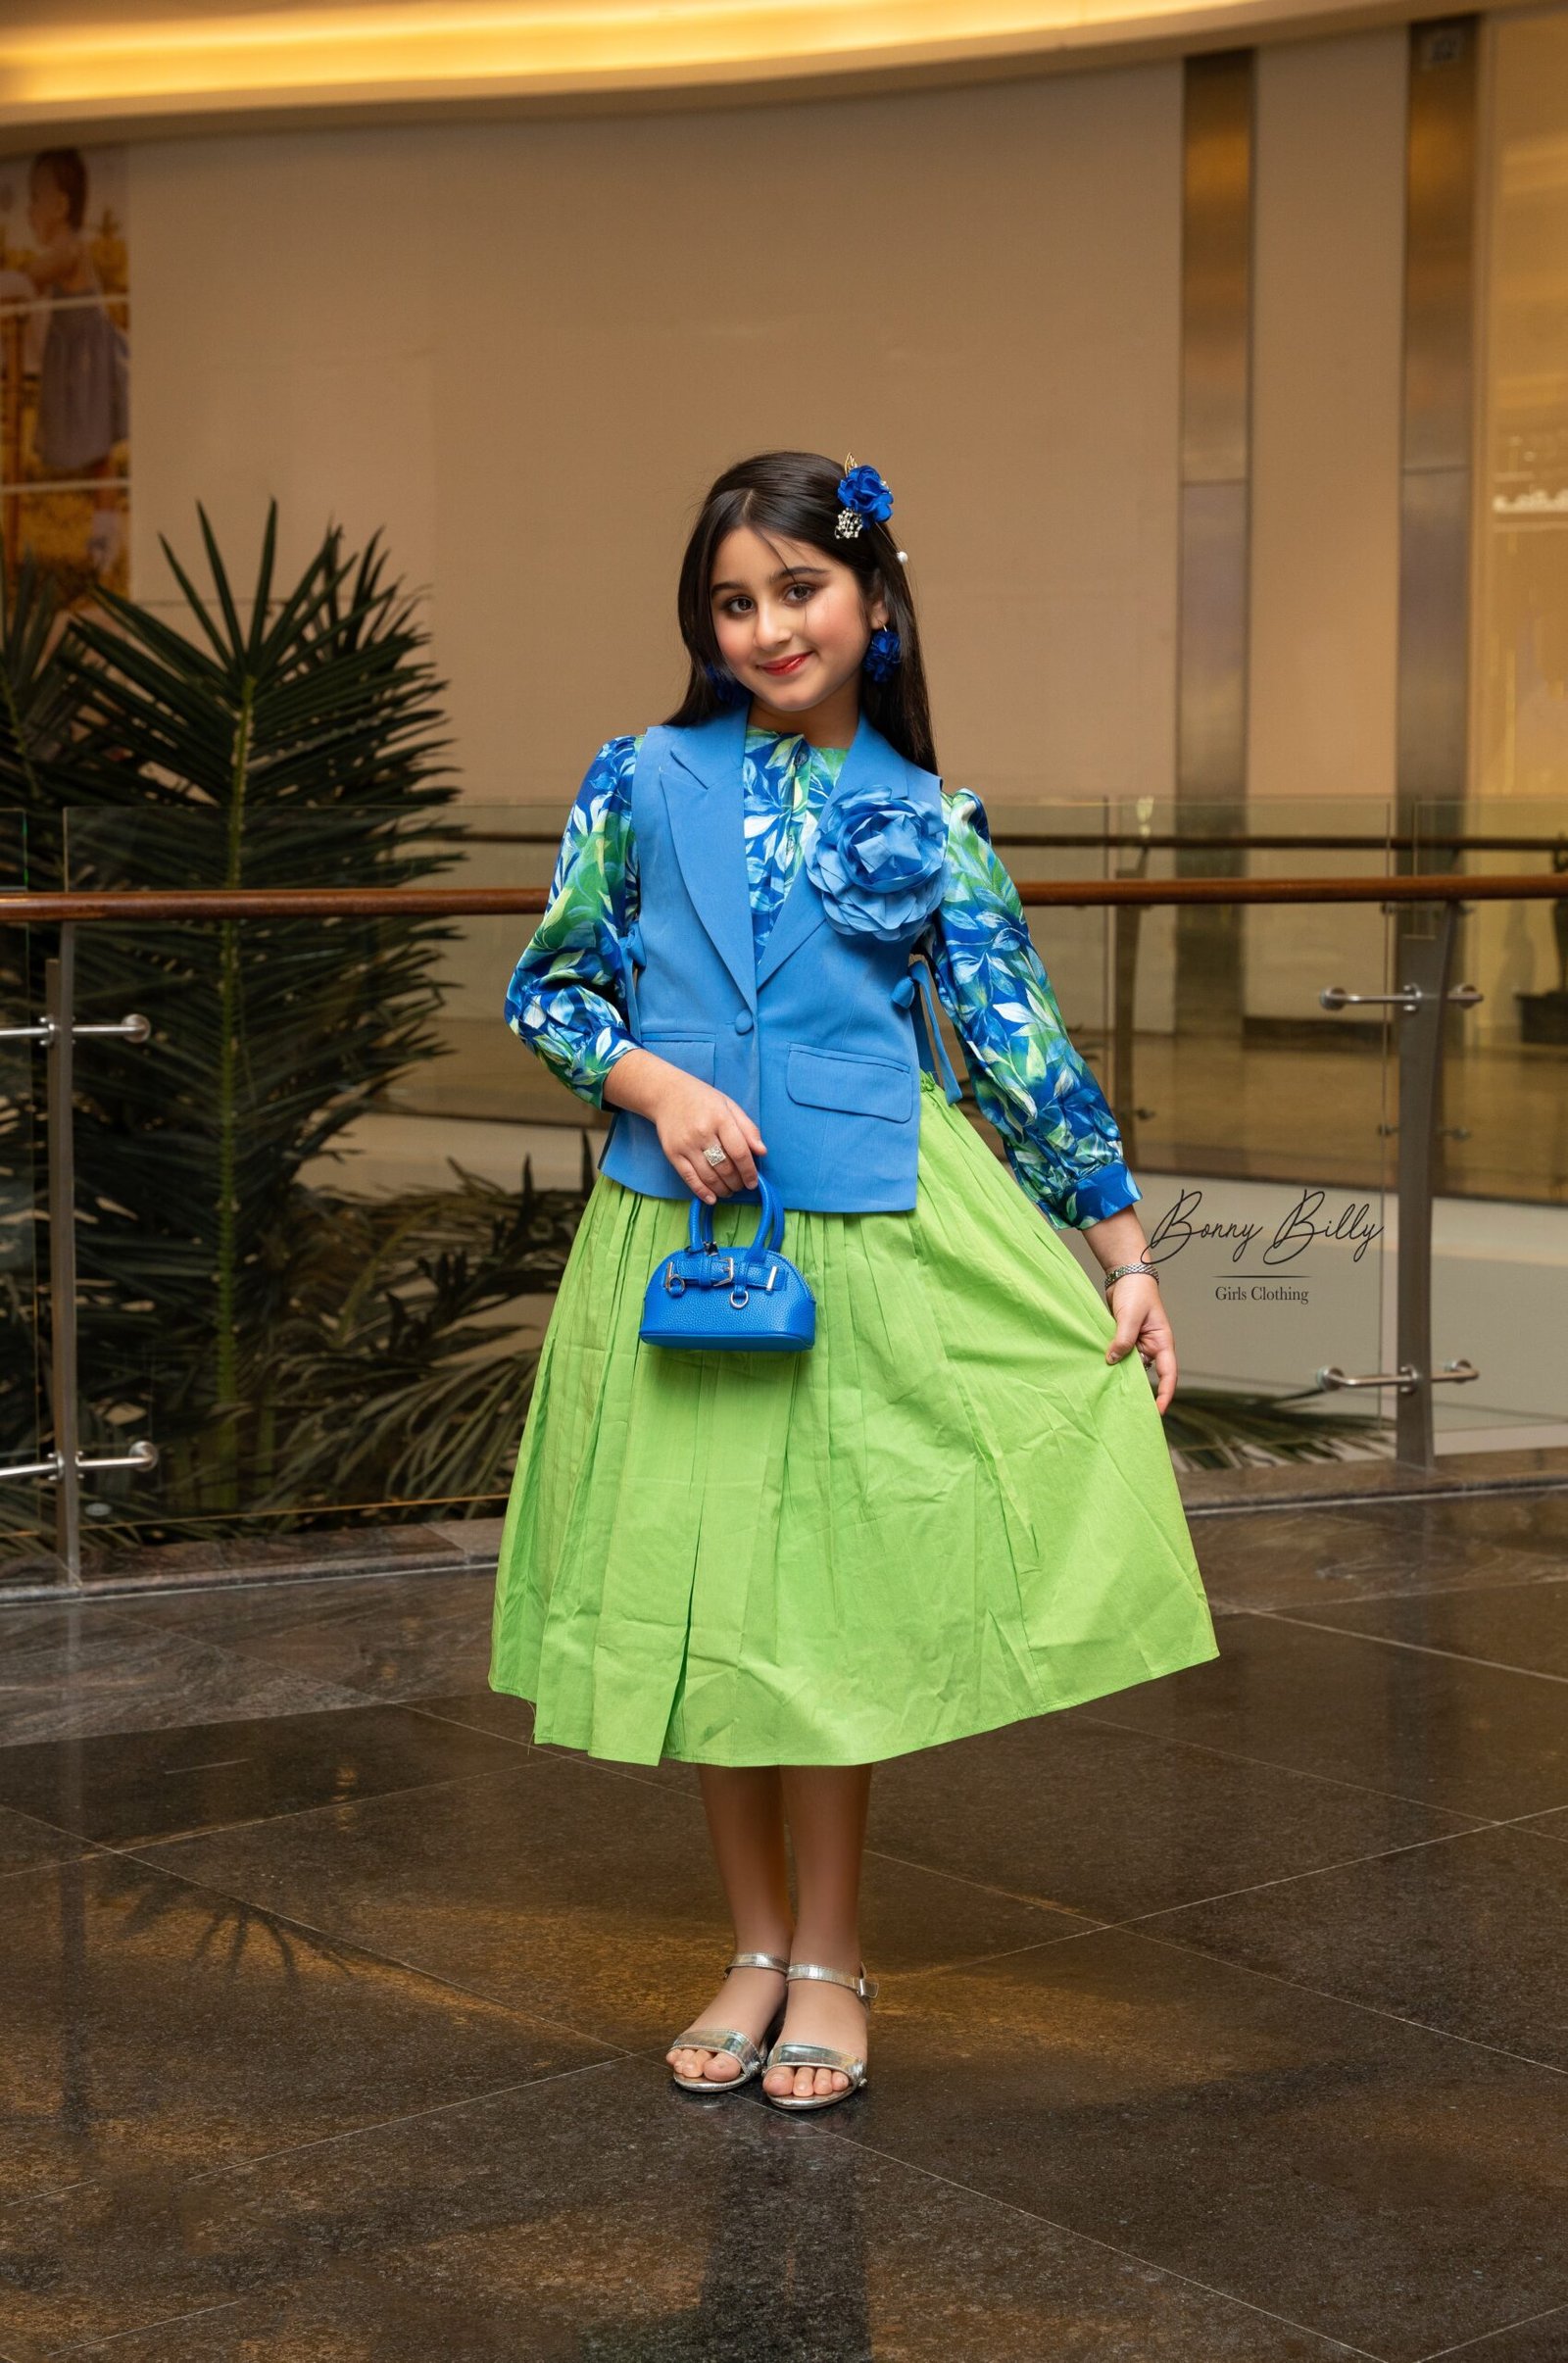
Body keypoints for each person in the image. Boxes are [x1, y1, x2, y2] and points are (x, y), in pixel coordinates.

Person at [491, 448, 1219, 2112]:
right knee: (710, 1601)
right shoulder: (637, 776)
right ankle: (751, 1943)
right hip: (679, 1239)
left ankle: (830, 1952)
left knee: (824, 1612)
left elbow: (1016, 1043)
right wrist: (658, 1087)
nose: (768, 627)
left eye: (799, 589)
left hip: (871, 1231)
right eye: (733, 601)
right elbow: (552, 991)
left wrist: (1122, 1252)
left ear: (875, 603)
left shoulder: (927, 817)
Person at [25, 147, 127, 580]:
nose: (29, 211)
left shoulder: (67, 250)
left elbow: (30, 279)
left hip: (87, 361)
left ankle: (105, 537)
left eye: (36, 199)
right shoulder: (64, 249)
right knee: (92, 454)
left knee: (98, 451)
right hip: (73, 358)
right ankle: (101, 533)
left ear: (61, 206)